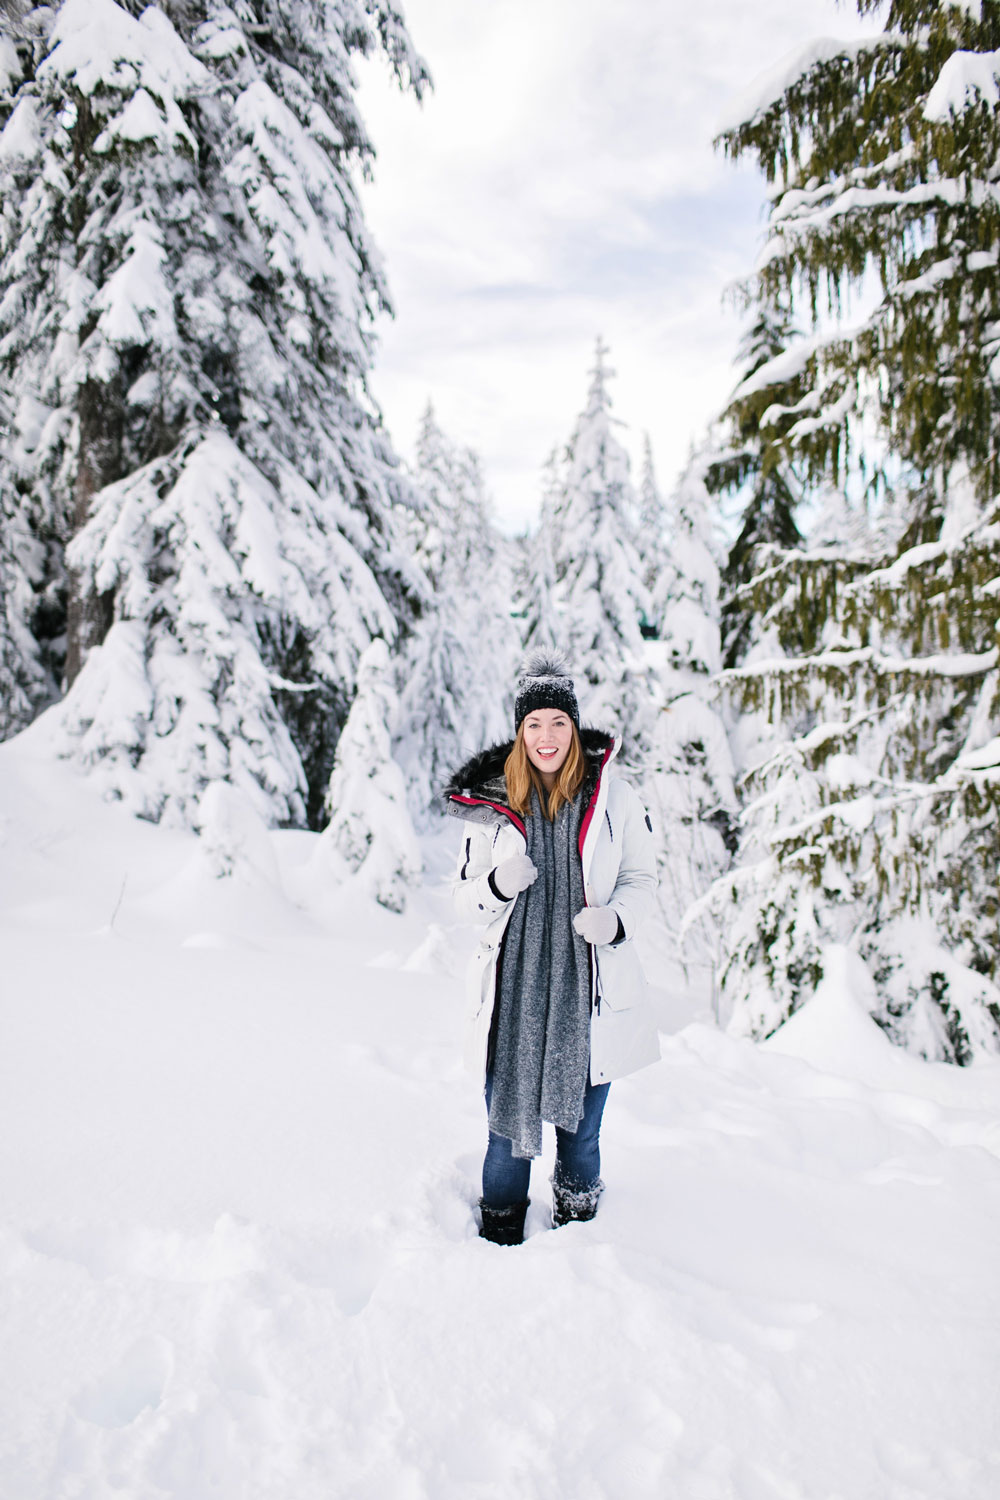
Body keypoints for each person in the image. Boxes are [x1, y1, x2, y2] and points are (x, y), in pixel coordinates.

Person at [443, 655, 659, 1246]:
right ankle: (500, 1231)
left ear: (574, 728)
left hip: (586, 987)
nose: (547, 736)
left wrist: (615, 921)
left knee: (581, 1132)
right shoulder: (489, 807)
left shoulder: (614, 799)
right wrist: (495, 885)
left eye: (558, 723)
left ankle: (578, 1233)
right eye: (534, 723)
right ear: (520, 731)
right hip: (511, 991)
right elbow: (461, 901)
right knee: (505, 1133)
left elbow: (642, 880)